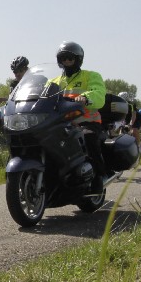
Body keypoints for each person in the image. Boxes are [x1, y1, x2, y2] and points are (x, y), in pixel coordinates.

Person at [48, 42, 108, 191]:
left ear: (78, 59)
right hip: (61, 124)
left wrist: (86, 97)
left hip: (86, 122)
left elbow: (99, 94)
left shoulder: (91, 76)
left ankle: (99, 177)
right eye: (63, 58)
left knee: (88, 137)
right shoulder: (52, 82)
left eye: (70, 58)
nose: (67, 61)